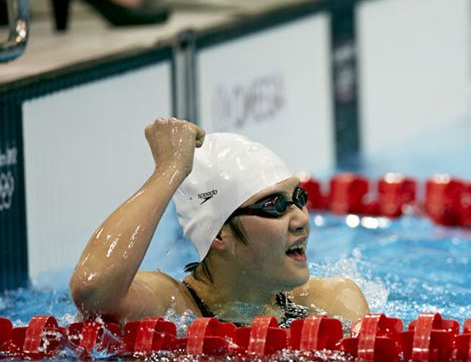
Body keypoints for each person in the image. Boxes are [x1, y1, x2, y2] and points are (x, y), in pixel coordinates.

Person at [70, 117, 369, 327]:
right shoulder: (173, 308)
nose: (301, 220)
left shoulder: (331, 303)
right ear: (219, 233)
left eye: (299, 198)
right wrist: (170, 170)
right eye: (274, 205)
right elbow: (92, 290)